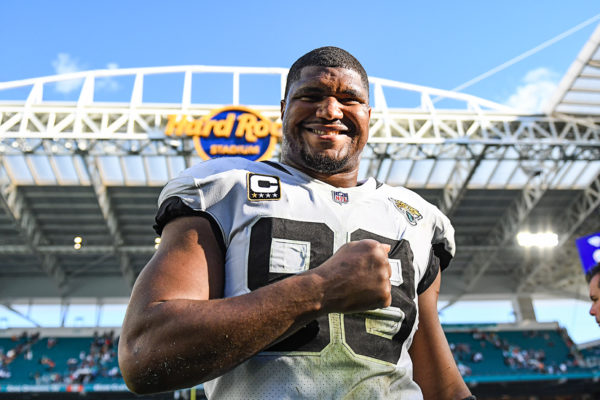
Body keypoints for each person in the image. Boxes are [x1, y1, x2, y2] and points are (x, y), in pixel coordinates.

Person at [118, 46, 473, 399]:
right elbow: (145, 354)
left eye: (349, 99)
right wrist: (319, 290)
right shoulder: (223, 189)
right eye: (311, 95)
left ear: (368, 115)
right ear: (284, 109)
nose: (331, 110)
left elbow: (442, 387)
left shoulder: (415, 218)